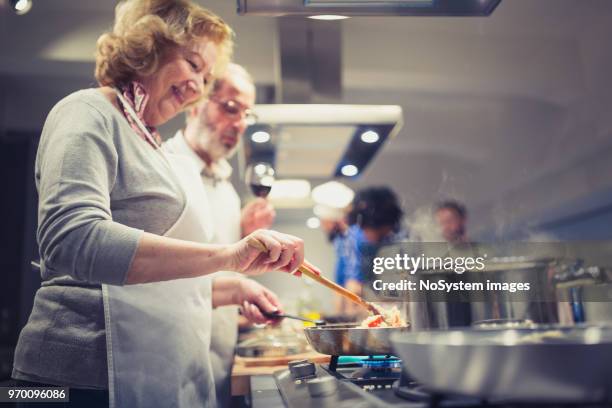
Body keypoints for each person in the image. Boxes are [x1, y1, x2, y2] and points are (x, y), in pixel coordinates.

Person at [11, 1, 315, 407]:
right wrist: (229, 255)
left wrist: (236, 283)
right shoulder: (86, 111)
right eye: (193, 63)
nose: (197, 85)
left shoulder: (150, 142)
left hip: (149, 372)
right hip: (77, 378)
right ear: (149, 44)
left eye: (206, 76)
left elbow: (168, 283)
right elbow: (72, 239)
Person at [162, 63, 275, 407]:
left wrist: (245, 235)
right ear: (195, 102)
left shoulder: (226, 191)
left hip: (217, 365)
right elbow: (154, 279)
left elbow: (218, 268)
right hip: (170, 368)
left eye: (246, 114)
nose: (239, 123)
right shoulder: (164, 169)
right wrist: (238, 288)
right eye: (230, 108)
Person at [344, 186, 405, 313]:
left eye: (367, 228)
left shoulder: (404, 241)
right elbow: (355, 282)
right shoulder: (360, 240)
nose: (364, 233)